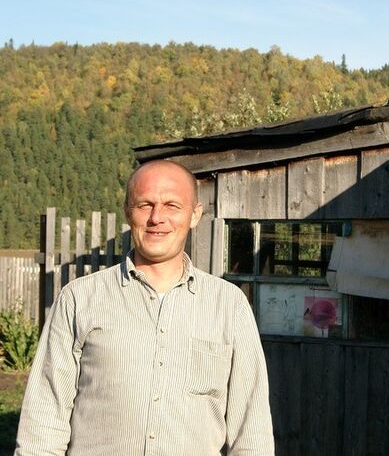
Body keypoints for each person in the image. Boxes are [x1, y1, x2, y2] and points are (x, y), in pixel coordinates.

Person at [15, 160, 275, 455]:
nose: (157, 218)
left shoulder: (229, 306)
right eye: (145, 205)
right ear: (128, 212)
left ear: (194, 215)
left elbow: (251, 430)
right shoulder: (79, 299)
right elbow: (44, 419)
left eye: (172, 205)